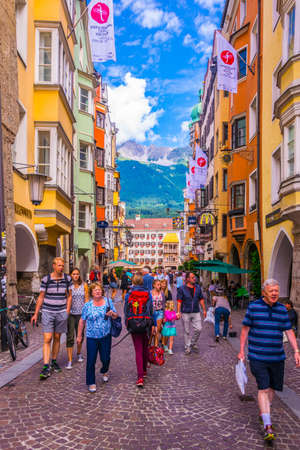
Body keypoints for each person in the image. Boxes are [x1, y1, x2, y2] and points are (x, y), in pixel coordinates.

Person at [238, 279, 300, 442]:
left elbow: (289, 331)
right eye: (271, 291)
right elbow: (245, 329)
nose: (274, 294)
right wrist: (241, 350)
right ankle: (267, 425)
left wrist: (296, 350)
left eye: (276, 291)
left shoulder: (282, 309)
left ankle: (263, 413)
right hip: (258, 356)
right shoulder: (254, 307)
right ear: (264, 292)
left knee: (272, 388)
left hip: (277, 357)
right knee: (263, 388)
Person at [31, 257, 72, 379]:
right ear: (54, 266)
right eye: (59, 265)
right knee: (48, 338)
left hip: (61, 312)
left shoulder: (67, 278)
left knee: (57, 337)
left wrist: (67, 310)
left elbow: (69, 296)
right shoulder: (46, 279)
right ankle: (46, 365)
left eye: (62, 265)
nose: (61, 267)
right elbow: (41, 297)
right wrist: (35, 313)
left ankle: (53, 361)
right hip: (48, 311)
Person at [77, 282, 118, 393]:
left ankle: (104, 370)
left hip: (105, 335)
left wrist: (112, 314)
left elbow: (116, 315)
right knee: (91, 360)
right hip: (91, 337)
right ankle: (91, 382)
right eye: (95, 290)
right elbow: (82, 321)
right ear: (91, 292)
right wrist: (79, 335)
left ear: (102, 291)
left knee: (105, 358)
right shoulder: (87, 305)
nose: (97, 291)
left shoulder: (108, 302)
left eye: (99, 289)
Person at [124, 273, 156, 388]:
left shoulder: (129, 294)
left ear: (133, 282)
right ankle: (144, 371)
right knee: (145, 347)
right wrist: (154, 325)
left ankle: (140, 377)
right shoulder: (148, 293)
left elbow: (126, 311)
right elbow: (151, 311)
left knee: (138, 349)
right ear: (142, 282)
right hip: (146, 324)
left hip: (134, 324)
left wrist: (127, 324)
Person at [177, 272, 207, 355]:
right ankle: (187, 347)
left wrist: (204, 310)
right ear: (187, 279)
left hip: (196, 311)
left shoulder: (198, 288)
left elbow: (201, 299)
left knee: (199, 329)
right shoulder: (181, 289)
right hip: (185, 312)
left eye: (194, 277)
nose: (194, 278)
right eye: (192, 277)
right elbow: (179, 301)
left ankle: (192, 343)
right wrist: (178, 312)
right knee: (186, 331)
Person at [66, 268, 89, 369]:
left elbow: (86, 298)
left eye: (77, 274)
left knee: (80, 336)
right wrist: (66, 312)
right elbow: (68, 298)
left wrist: (87, 311)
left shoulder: (84, 285)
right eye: (74, 274)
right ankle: (70, 360)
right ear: (71, 275)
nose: (75, 276)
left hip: (81, 314)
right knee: (70, 336)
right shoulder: (69, 286)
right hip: (71, 314)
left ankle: (79, 353)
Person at [151, 279, 165, 346]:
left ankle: (156, 347)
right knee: (152, 331)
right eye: (158, 285)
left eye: (160, 284)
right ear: (154, 285)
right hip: (152, 313)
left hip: (160, 312)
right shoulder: (150, 293)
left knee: (157, 331)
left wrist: (164, 315)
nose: (160, 286)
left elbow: (164, 304)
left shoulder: (162, 293)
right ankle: (150, 346)